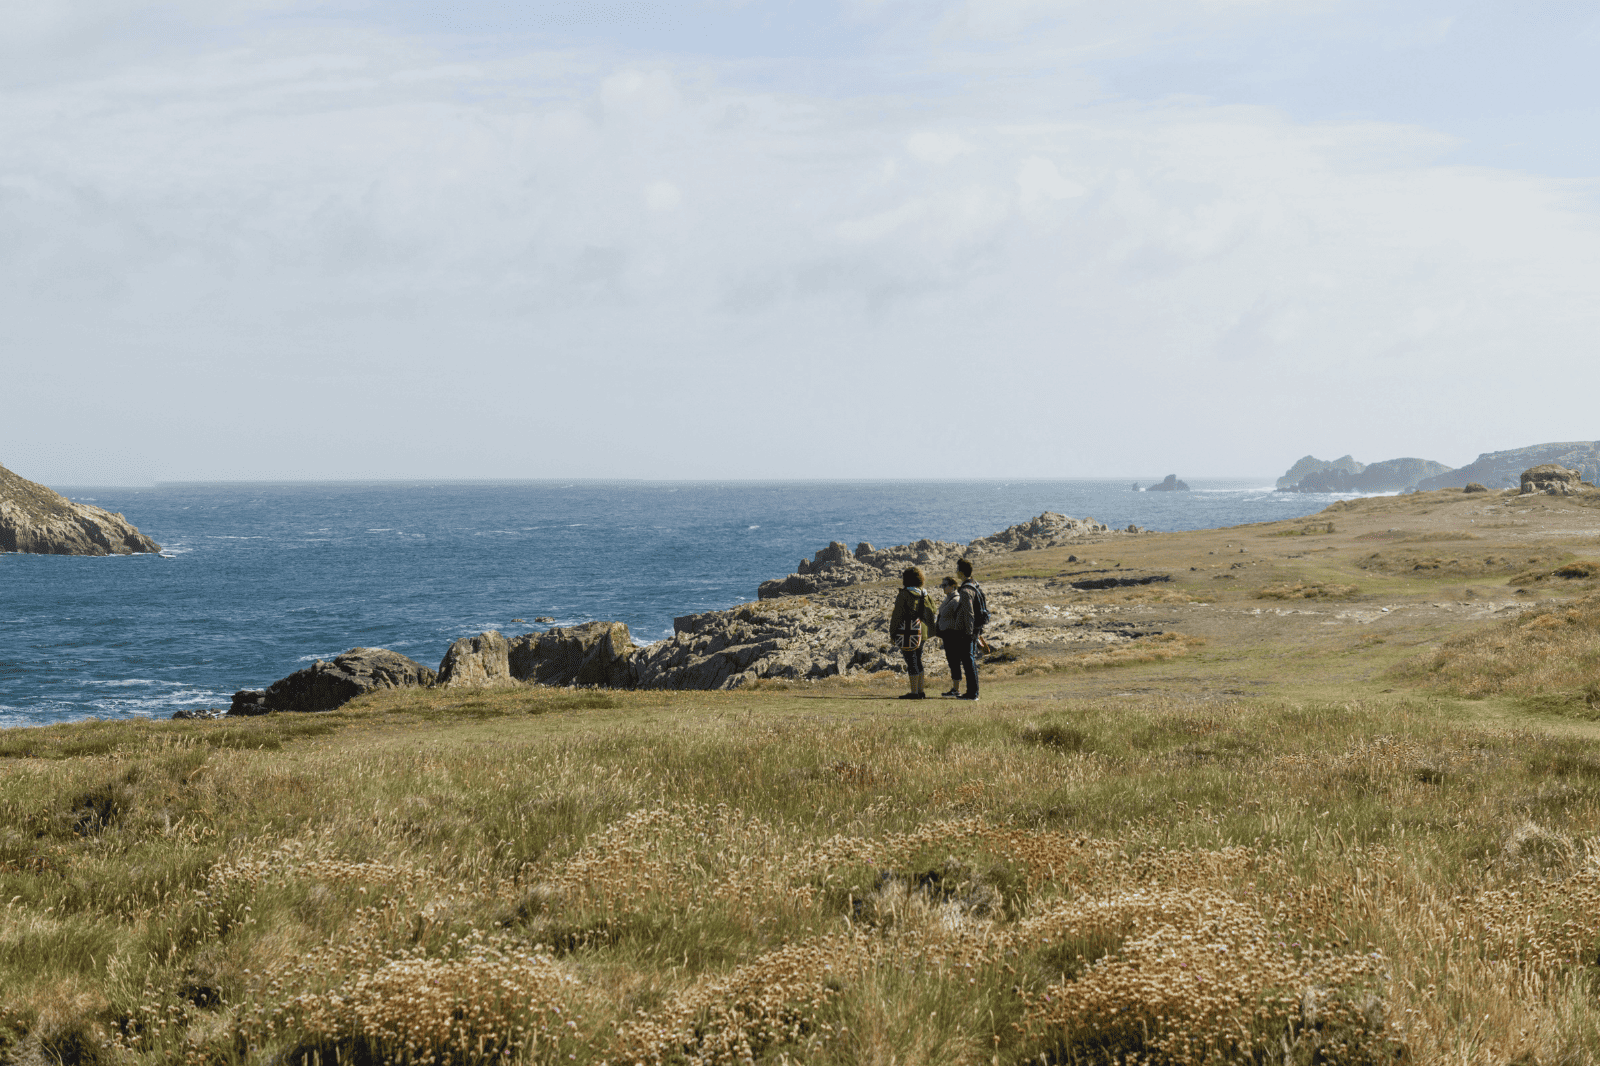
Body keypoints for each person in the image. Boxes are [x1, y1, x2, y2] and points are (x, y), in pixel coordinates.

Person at [889, 566, 938, 699]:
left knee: (911, 661)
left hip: (908, 632)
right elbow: (933, 610)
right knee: (918, 659)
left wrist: (893, 633)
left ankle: (914, 692)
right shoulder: (925, 594)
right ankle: (920, 691)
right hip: (923, 632)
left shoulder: (904, 594)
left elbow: (897, 615)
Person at [953, 557, 984, 700]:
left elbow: (969, 614)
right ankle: (972, 692)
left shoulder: (965, 591)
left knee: (968, 661)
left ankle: (972, 693)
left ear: (961, 572)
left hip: (967, 632)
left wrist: (968, 633)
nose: (956, 572)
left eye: (957, 569)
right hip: (973, 630)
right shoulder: (974, 585)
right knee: (969, 660)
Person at [935, 575, 964, 697]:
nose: (942, 587)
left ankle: (956, 688)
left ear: (953, 586)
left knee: (954, 661)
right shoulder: (948, 599)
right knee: (952, 660)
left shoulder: (956, 600)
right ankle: (955, 687)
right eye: (942, 585)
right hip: (947, 634)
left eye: (944, 585)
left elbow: (959, 618)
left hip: (953, 635)